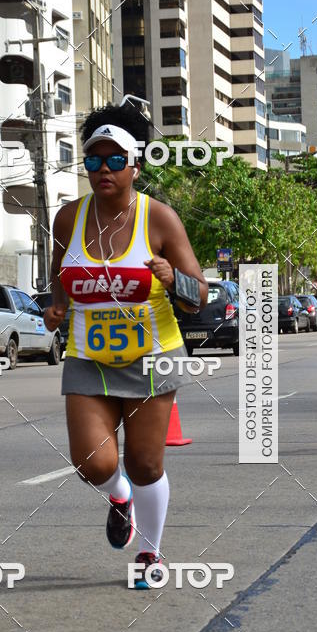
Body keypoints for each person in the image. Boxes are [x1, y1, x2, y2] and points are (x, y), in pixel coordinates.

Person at [44, 104, 208, 588]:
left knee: (145, 463)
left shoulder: (159, 219)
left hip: (152, 359)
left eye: (115, 160)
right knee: (93, 464)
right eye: (93, 161)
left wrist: (172, 277)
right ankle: (119, 497)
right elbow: (60, 279)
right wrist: (55, 310)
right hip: (88, 359)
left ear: (136, 165)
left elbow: (198, 295)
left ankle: (150, 554)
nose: (103, 171)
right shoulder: (67, 219)